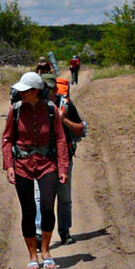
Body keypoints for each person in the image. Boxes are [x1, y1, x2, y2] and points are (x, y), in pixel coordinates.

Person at [2, 71, 69, 269]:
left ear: (35, 91)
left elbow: (60, 139)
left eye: (25, 91)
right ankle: (33, 254)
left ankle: (46, 251)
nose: (21, 94)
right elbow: (7, 139)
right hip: (22, 165)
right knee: (29, 210)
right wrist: (9, 165)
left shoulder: (50, 110)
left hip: (47, 164)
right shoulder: (15, 110)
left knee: (48, 207)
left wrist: (63, 167)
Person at [52, 75, 87, 244]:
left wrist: (63, 120)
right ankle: (38, 234)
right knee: (40, 198)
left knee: (64, 196)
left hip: (64, 157)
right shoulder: (36, 107)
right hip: (41, 158)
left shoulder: (66, 105)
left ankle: (64, 232)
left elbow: (81, 129)